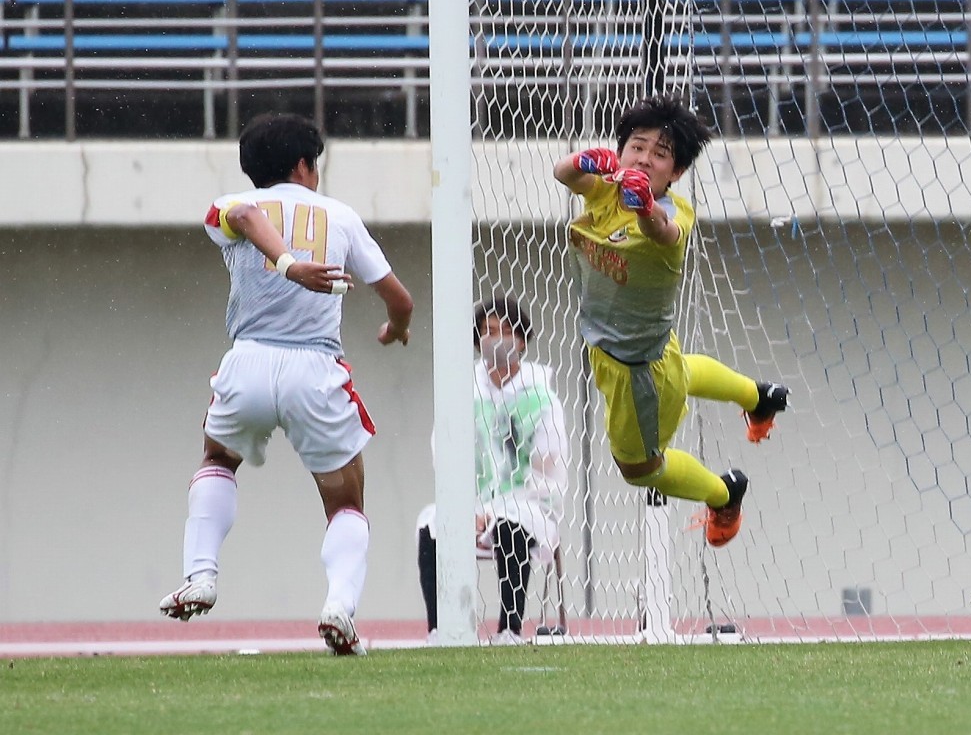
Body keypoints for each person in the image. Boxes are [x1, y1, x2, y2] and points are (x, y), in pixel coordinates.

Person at [159, 112, 414, 657]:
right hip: (316, 371)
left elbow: (246, 214)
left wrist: (280, 258)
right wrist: (396, 328)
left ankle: (201, 575)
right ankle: (339, 610)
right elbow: (400, 298)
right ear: (303, 165)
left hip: (248, 363)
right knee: (346, 501)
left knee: (216, 460)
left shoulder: (223, 207)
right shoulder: (340, 216)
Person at [552, 95, 789, 548]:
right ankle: (757, 396)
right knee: (680, 370)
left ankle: (725, 492)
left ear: (675, 173)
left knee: (639, 469)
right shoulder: (603, 187)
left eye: (660, 154)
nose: (644, 158)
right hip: (631, 346)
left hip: (638, 372)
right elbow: (563, 174)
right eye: (636, 147)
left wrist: (645, 209)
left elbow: (663, 231)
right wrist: (583, 159)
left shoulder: (673, 213)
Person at [417, 295, 569, 646]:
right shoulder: (461, 389)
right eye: (487, 331)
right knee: (431, 521)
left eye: (504, 331)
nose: (494, 340)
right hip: (473, 505)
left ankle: (509, 630)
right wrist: (469, 507)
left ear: (521, 340)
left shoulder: (542, 397)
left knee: (511, 523)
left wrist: (495, 511)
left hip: (529, 505)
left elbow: (548, 466)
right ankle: (440, 630)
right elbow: (445, 451)